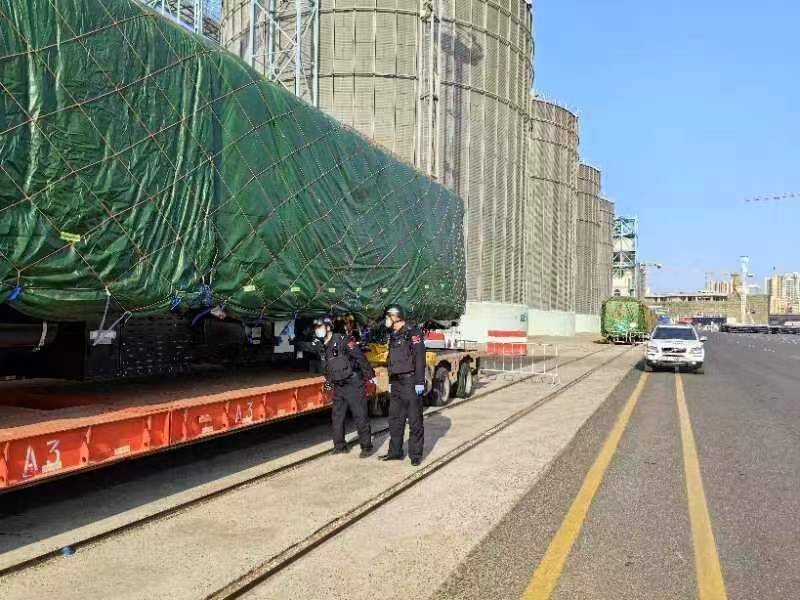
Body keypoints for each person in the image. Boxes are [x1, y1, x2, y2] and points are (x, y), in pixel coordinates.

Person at [313, 317, 376, 458]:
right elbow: (328, 367)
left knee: (360, 415)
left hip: (353, 383)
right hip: (338, 386)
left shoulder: (343, 340)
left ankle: (366, 447)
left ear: (328, 327)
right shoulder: (323, 346)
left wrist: (369, 376)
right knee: (337, 416)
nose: (317, 330)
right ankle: (339, 446)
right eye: (316, 327)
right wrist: (328, 382)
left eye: (320, 326)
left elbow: (359, 357)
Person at [380, 304, 427, 466]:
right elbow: (391, 360)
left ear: (396, 317)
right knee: (395, 419)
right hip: (397, 382)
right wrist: (391, 381)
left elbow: (420, 358)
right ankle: (395, 452)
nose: (385, 320)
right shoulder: (393, 335)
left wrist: (420, 382)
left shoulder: (413, 333)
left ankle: (415, 455)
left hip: (410, 381)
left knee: (414, 420)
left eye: (388, 317)